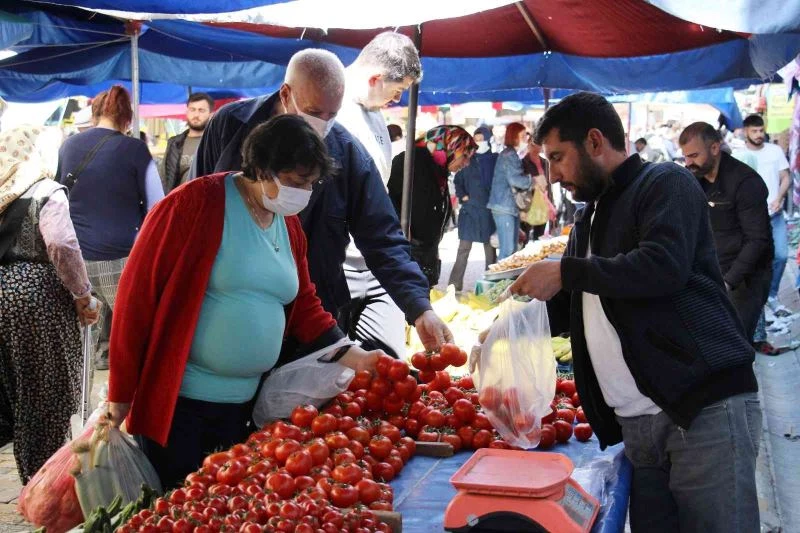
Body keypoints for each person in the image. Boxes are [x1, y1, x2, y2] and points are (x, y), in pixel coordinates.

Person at [506, 92, 761, 532]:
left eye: (559, 157)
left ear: (594, 141)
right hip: (638, 427)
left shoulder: (664, 183)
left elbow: (662, 266)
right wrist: (508, 331)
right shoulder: (588, 219)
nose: (555, 173)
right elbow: (577, 308)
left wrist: (566, 271)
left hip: (700, 413)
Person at [106, 115, 381, 489]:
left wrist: (353, 353)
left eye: (311, 184)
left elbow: (303, 303)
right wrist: (120, 395)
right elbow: (136, 298)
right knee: (178, 510)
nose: (304, 192)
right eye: (297, 182)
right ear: (263, 169)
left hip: (243, 408)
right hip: (179, 407)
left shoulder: (288, 224)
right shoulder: (194, 204)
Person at [192, 49, 452, 358]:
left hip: (310, 312)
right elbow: (197, 210)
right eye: (314, 111)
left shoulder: (346, 149)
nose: (323, 124)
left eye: (332, 114)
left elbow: (382, 235)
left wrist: (420, 308)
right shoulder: (229, 125)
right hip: (228, 307)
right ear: (286, 93)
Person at [0, 126, 100, 483]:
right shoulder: (45, 191)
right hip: (35, 302)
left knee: (9, 390)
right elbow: (61, 244)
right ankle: (40, 482)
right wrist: (82, 294)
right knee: (44, 394)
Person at [57, 85, 164, 370]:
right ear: (127, 118)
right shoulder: (135, 149)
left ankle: (84, 409)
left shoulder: (68, 145)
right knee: (137, 338)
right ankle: (129, 404)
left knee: (84, 345)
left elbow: (60, 198)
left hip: (76, 257)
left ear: (95, 113)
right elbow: (158, 206)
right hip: (121, 258)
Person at [679, 122, 773, 343]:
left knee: (735, 342)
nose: (688, 163)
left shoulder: (745, 183)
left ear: (714, 148)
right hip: (713, 271)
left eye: (693, 155)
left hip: (745, 278)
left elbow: (757, 240)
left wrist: (728, 282)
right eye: (685, 157)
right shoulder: (694, 180)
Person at [388, 126, 476, 287]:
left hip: (425, 256)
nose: (466, 163)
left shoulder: (438, 170)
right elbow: (398, 206)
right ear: (450, 148)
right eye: (464, 156)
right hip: (408, 255)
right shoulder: (411, 163)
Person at [737, 114, 791, 318]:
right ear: (746, 132)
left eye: (761, 130)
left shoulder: (775, 151)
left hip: (775, 213)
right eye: (754, 131)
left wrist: (779, 196)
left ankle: (773, 295)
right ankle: (758, 300)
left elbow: (785, 177)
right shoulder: (739, 155)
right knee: (756, 260)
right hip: (751, 218)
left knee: (782, 255)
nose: (759, 135)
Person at [448, 126, 497, 290]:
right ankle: (454, 285)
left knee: (490, 250)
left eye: (481, 138)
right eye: (475, 139)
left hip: (488, 210)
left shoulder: (494, 159)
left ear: (489, 138)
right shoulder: (467, 158)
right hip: (469, 210)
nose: (478, 142)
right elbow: (458, 180)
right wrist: (463, 196)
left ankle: (491, 283)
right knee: (463, 248)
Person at [487, 122, 532, 259]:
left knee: (511, 249)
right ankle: (502, 280)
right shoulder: (509, 155)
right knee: (507, 250)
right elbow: (515, 180)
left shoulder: (511, 154)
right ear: (514, 136)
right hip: (504, 206)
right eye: (523, 135)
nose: (526, 139)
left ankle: (508, 280)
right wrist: (533, 181)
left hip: (507, 206)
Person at [159, 93, 214, 193]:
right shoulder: (174, 144)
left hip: (207, 202)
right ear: (187, 111)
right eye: (192, 109)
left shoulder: (215, 143)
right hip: (179, 203)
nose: (196, 115)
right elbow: (165, 178)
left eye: (201, 110)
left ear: (211, 114)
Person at [521, 141, 551, 241]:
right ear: (528, 145)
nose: (535, 147)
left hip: (543, 202)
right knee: (524, 235)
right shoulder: (523, 162)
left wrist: (551, 203)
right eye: (532, 144)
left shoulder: (545, 162)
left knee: (539, 236)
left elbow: (549, 184)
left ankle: (537, 256)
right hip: (528, 202)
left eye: (537, 144)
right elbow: (521, 185)